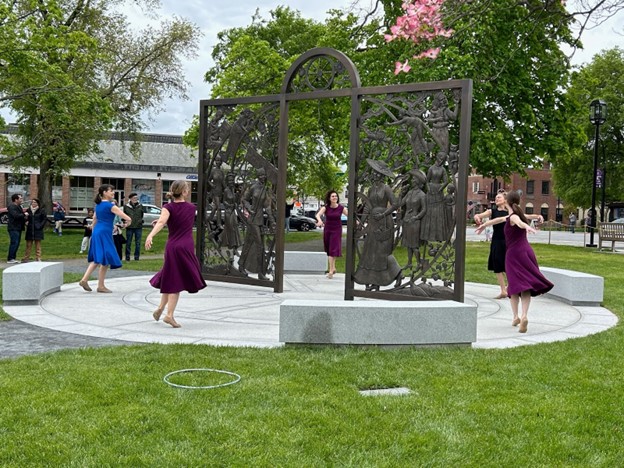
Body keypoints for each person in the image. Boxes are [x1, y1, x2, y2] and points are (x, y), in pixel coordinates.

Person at [476, 191, 553, 333]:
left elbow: (518, 222)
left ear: (507, 202)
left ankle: (516, 316)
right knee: (525, 286)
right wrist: (484, 225)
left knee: (514, 286)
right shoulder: (515, 214)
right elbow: (497, 220)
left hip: (514, 254)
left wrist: (526, 226)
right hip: (527, 252)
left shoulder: (514, 216)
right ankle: (523, 316)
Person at [145, 180, 206, 328]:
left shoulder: (168, 207)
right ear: (184, 192)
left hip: (173, 246)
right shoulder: (192, 208)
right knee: (175, 280)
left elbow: (163, 222)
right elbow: (177, 220)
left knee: (172, 277)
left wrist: (150, 235)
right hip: (186, 246)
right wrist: (161, 222)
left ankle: (161, 309)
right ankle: (169, 315)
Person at [475, 190, 544, 299]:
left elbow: (525, 216)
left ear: (505, 200)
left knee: (509, 265)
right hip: (497, 241)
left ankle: (512, 287)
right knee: (497, 265)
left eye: (499, 197)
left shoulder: (511, 213)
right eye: (496, 198)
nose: (497, 199)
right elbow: (485, 216)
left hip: (508, 242)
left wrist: (537, 216)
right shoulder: (492, 211)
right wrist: (478, 217)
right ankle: (503, 290)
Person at [353, 159, 402, 290]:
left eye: (377, 173)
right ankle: (374, 281)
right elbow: (367, 207)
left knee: (382, 254)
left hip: (385, 223)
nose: (374, 175)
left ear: (381, 175)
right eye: (374, 173)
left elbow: (395, 204)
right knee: (371, 253)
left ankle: (398, 274)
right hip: (373, 223)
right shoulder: (370, 189)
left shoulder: (386, 188)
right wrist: (361, 223)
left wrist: (384, 214)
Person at [78, 185, 131, 293]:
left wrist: (93, 232)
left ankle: (95, 283)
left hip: (98, 231)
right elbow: (126, 216)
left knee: (102, 257)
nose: (113, 193)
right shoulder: (110, 205)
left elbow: (94, 220)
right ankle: (93, 283)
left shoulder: (98, 205)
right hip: (104, 233)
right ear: (105, 192)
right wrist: (128, 222)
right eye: (111, 191)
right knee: (102, 257)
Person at [238, 167, 273, 280]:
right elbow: (244, 199)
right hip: (252, 220)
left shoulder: (265, 189)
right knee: (260, 246)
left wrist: (272, 221)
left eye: (264, 175)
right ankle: (260, 273)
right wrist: (249, 208)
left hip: (259, 220)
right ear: (258, 176)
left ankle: (241, 265)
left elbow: (267, 207)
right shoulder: (253, 187)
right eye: (261, 175)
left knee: (247, 244)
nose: (263, 177)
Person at [397, 168, 427, 269]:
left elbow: (424, 209)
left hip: (415, 222)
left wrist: (416, 217)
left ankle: (419, 263)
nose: (412, 181)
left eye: (414, 179)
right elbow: (400, 204)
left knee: (414, 245)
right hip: (407, 220)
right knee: (408, 244)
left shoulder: (422, 195)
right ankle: (409, 263)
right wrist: (401, 194)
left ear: (418, 181)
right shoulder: (409, 193)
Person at [315, 190, 348, 279]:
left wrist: (356, 221)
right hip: (328, 230)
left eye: (336, 196)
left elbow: (350, 215)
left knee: (333, 249)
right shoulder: (326, 207)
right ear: (329, 198)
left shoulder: (341, 208)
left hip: (337, 230)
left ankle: (330, 270)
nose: (335, 197)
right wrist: (320, 220)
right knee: (330, 250)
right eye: (333, 196)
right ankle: (333, 268)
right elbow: (318, 215)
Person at [123, 192, 144, 261]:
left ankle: (137, 257)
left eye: (136, 198)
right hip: (130, 227)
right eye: (134, 198)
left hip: (138, 227)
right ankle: (127, 257)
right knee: (128, 242)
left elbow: (142, 215)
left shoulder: (140, 206)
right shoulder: (126, 206)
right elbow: (124, 216)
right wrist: (125, 223)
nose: (135, 199)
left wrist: (140, 221)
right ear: (130, 199)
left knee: (138, 242)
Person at [6, 193, 27, 264]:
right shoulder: (11, 206)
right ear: (16, 200)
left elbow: (20, 217)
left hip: (18, 227)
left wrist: (25, 221)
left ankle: (13, 257)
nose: (22, 199)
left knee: (17, 243)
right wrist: (24, 214)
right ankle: (10, 258)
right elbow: (15, 215)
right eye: (20, 198)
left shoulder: (19, 206)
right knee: (14, 242)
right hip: (13, 228)